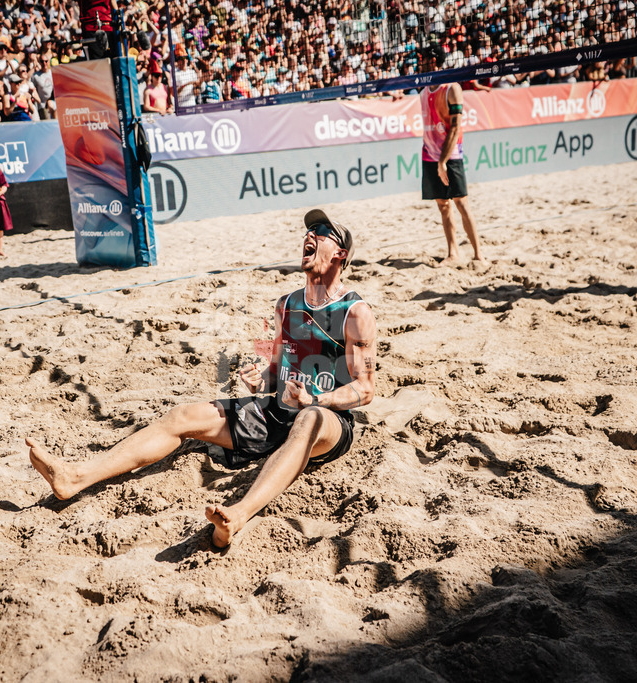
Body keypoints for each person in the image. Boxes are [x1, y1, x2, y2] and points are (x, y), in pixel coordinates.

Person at [26, 209, 377, 549]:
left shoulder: (355, 312)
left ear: (340, 254)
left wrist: (315, 400)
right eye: (308, 230)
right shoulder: (286, 304)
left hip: (327, 423)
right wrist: (260, 379)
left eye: (321, 231)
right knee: (181, 416)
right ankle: (75, 477)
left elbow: (365, 389)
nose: (309, 235)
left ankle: (238, 516)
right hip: (275, 413)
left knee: (309, 418)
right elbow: (276, 371)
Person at [419, 49, 484, 266]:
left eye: (424, 58)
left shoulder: (452, 89)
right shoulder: (423, 87)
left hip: (450, 156)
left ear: (434, 60)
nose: (421, 61)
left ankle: (478, 255)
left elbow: (455, 128)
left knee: (461, 203)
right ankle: (453, 253)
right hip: (429, 154)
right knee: (443, 205)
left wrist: (443, 162)